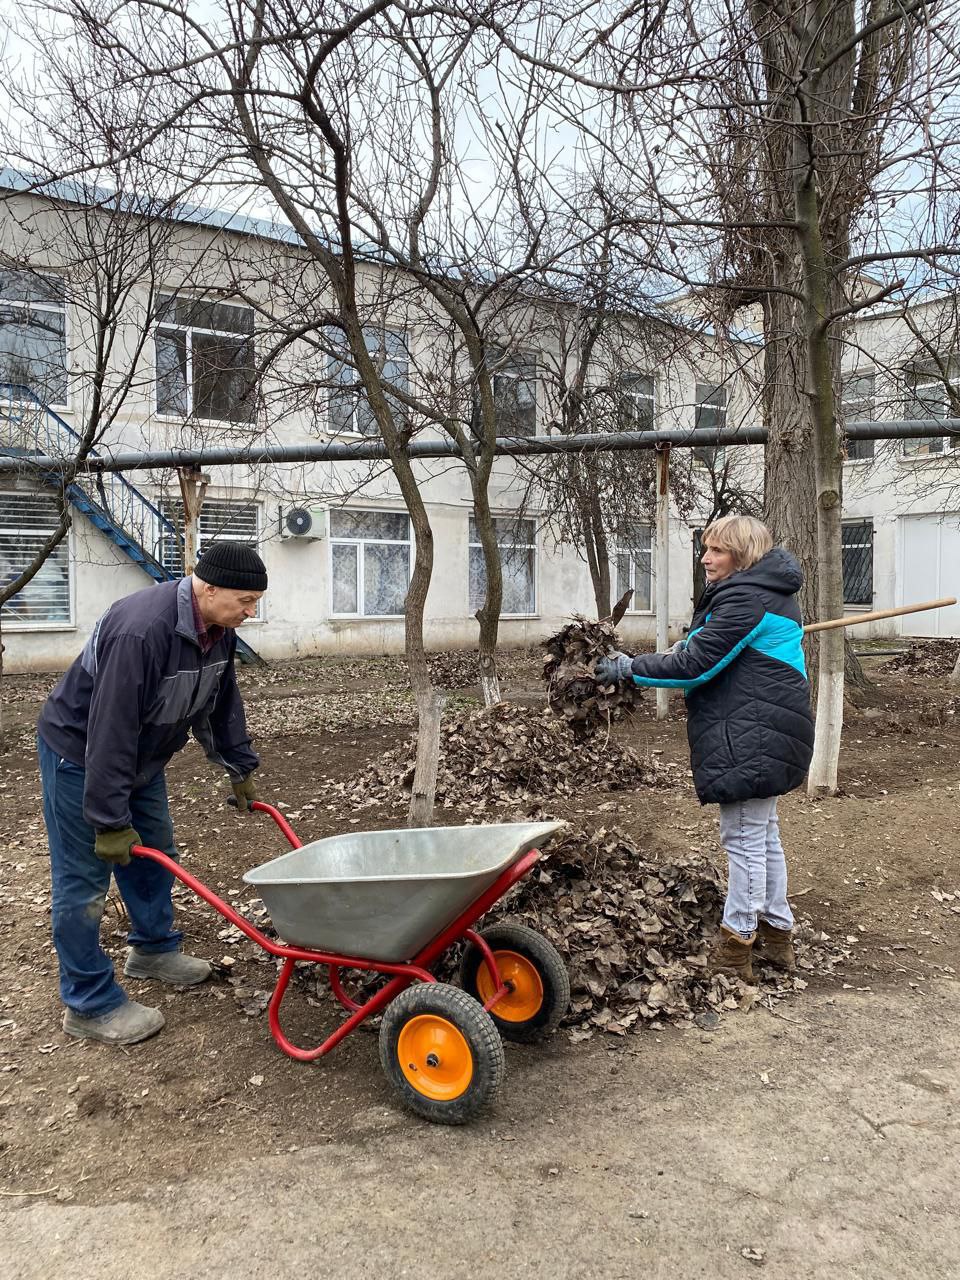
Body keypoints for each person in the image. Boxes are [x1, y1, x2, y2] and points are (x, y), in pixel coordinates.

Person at [37, 541, 267, 1045]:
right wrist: (108, 818)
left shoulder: (219, 631)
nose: (252, 612)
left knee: (155, 854)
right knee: (83, 882)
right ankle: (88, 1003)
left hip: (141, 758)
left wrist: (238, 768)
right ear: (208, 588)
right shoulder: (142, 630)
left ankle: (154, 949)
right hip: (80, 755)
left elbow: (219, 702)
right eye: (246, 600)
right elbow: (110, 729)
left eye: (256, 602)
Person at [595, 515, 814, 983]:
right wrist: (686, 644)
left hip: (752, 734)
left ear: (741, 556)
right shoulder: (767, 593)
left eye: (716, 550)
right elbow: (711, 646)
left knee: (744, 839)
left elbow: (696, 666)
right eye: (706, 548)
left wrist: (630, 668)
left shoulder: (747, 598)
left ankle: (738, 944)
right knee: (763, 834)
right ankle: (778, 935)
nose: (705, 558)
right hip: (768, 728)